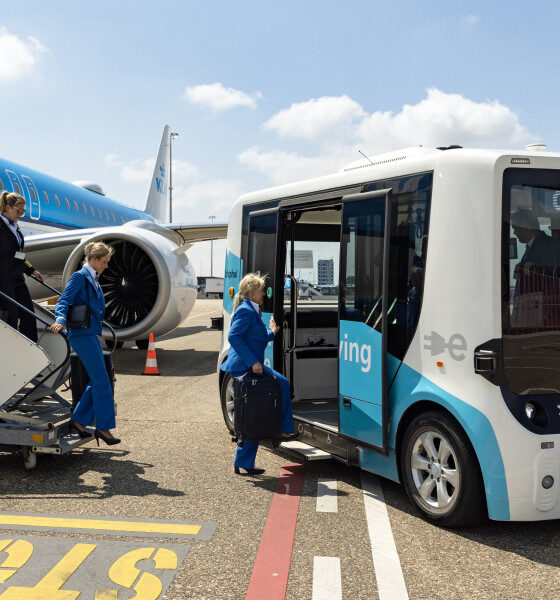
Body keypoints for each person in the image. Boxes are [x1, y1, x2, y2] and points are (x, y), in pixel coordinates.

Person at [221, 273, 295, 475]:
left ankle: (244, 462)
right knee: (281, 384)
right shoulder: (245, 311)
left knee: (253, 413)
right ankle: (284, 428)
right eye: (261, 290)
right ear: (252, 292)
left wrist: (272, 332)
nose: (264, 293)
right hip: (246, 366)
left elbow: (256, 337)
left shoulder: (252, 310)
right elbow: (234, 337)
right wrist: (253, 361)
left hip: (253, 365)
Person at [50, 241, 120, 446]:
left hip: (91, 334)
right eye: (105, 262)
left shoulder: (93, 278)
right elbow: (64, 300)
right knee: (102, 380)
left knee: (99, 379)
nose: (107, 266)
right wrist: (60, 319)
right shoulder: (80, 277)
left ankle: (79, 421)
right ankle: (104, 428)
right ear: (94, 259)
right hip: (81, 335)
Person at [0, 191, 43, 342]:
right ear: (7, 207)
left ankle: (31, 348)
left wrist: (31, 270)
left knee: (29, 316)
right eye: (19, 210)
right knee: (10, 317)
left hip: (17, 279)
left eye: (23, 211)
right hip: (3, 282)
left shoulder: (16, 228)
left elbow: (18, 254)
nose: (21, 214)